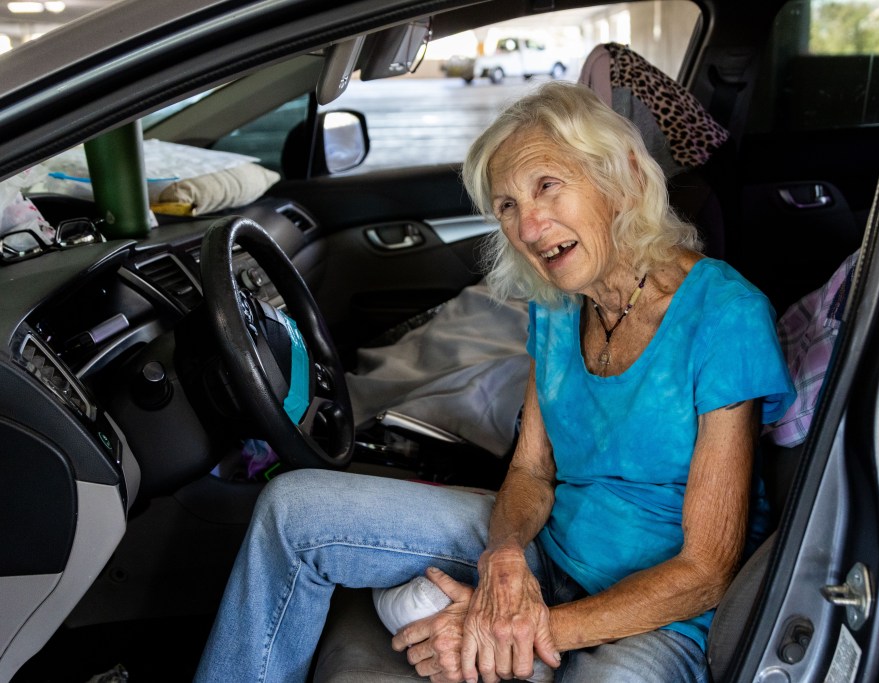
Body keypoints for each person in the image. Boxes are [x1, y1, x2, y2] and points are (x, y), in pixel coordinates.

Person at [195, 81, 795, 683]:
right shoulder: (560, 303)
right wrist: (505, 557)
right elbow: (532, 471)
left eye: (548, 186)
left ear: (625, 179)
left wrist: (517, 629)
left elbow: (706, 570)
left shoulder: (725, 316)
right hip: (549, 550)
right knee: (293, 508)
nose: (530, 227)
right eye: (506, 205)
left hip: (661, 611)